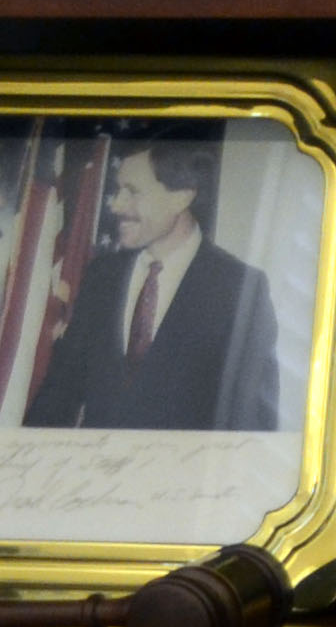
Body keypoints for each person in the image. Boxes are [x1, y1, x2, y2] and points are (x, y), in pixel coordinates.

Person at [23, 132, 276, 433]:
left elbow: (251, 423)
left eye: (132, 191)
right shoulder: (102, 275)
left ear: (182, 195)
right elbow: (59, 394)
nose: (115, 205)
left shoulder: (238, 289)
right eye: (118, 190)